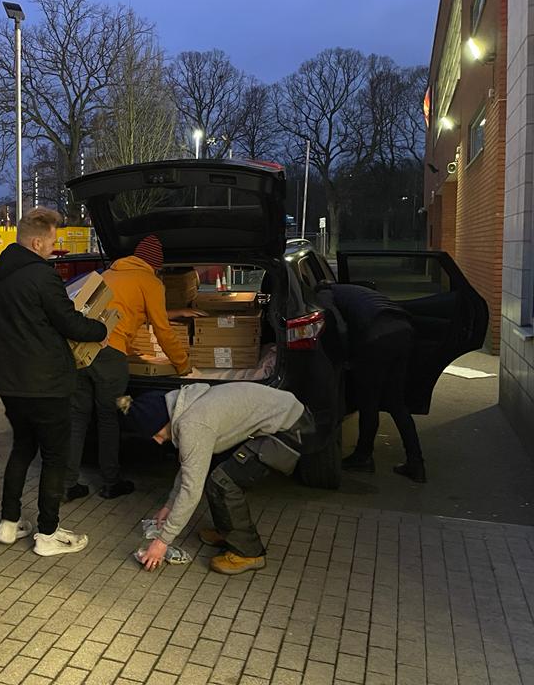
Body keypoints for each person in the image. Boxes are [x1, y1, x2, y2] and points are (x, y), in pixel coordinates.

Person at [0, 207, 108, 556]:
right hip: (45, 383)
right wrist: (101, 328)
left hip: (9, 382)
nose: (55, 246)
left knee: (23, 447)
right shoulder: (40, 275)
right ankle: (48, 534)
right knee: (54, 455)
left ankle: (9, 523)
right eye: (52, 240)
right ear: (37, 242)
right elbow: (70, 324)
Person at [123, 383, 314, 575]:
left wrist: (162, 542)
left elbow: (191, 489)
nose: (157, 440)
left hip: (292, 431)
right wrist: (169, 505)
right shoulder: (184, 405)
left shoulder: (193, 424)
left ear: (162, 421)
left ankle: (248, 552)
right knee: (215, 474)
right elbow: (190, 465)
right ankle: (228, 532)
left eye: (155, 433)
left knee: (222, 481)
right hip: (284, 418)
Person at [65, 235, 190, 502]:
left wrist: (132, 349)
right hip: (111, 359)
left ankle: (67, 484)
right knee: (110, 417)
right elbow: (163, 330)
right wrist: (183, 365)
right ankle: (111, 482)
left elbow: (119, 313)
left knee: (77, 418)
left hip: (81, 352)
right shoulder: (150, 282)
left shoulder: (109, 273)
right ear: (156, 265)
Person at [319, 282, 426, 483]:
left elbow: (339, 325)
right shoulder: (354, 291)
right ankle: (416, 463)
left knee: (368, 401)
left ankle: (363, 457)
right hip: (403, 330)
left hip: (377, 337)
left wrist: (345, 357)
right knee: (397, 403)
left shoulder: (325, 293)